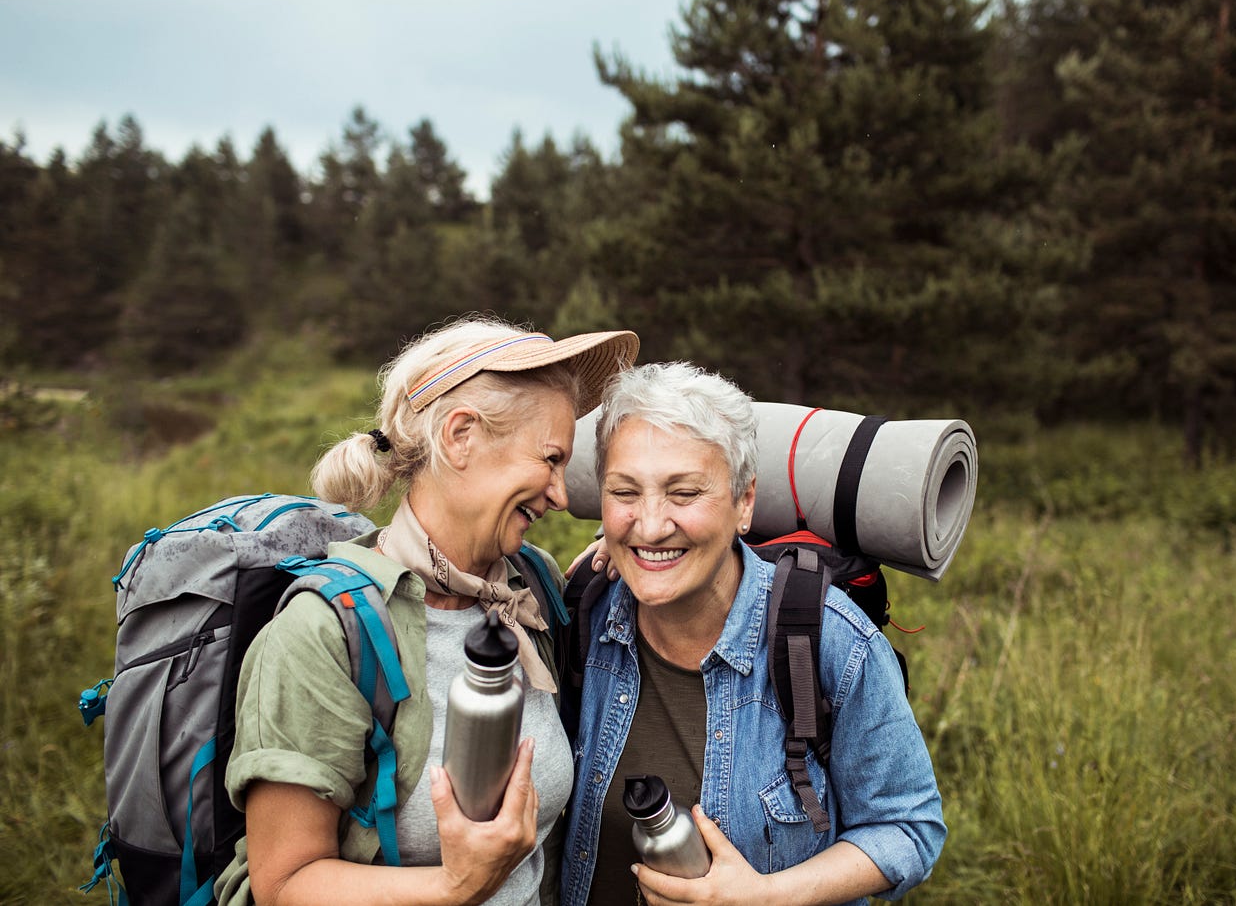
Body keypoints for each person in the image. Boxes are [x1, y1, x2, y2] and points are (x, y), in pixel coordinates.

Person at [214, 317, 639, 906]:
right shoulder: (326, 633)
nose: (562, 495)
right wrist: (455, 884)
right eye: (549, 459)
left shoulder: (531, 588)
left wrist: (639, 546)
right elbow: (285, 882)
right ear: (460, 435)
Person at [559, 362, 945, 906]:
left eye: (684, 493)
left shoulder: (830, 642)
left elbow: (908, 828)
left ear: (744, 503)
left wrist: (765, 896)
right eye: (625, 493)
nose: (648, 524)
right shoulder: (582, 613)